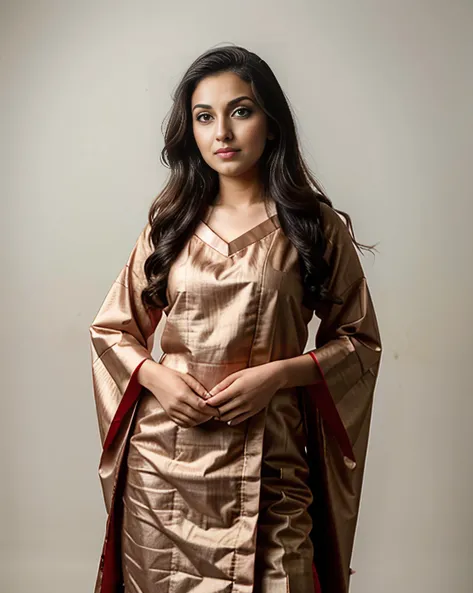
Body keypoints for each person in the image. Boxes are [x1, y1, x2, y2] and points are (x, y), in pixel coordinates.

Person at [89, 45, 382, 593]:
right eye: (204, 117)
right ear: (191, 131)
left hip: (271, 463)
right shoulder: (170, 223)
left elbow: (359, 341)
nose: (222, 131)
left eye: (240, 111)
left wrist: (277, 376)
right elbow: (113, 330)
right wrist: (156, 378)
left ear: (271, 123)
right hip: (165, 471)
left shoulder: (312, 226)